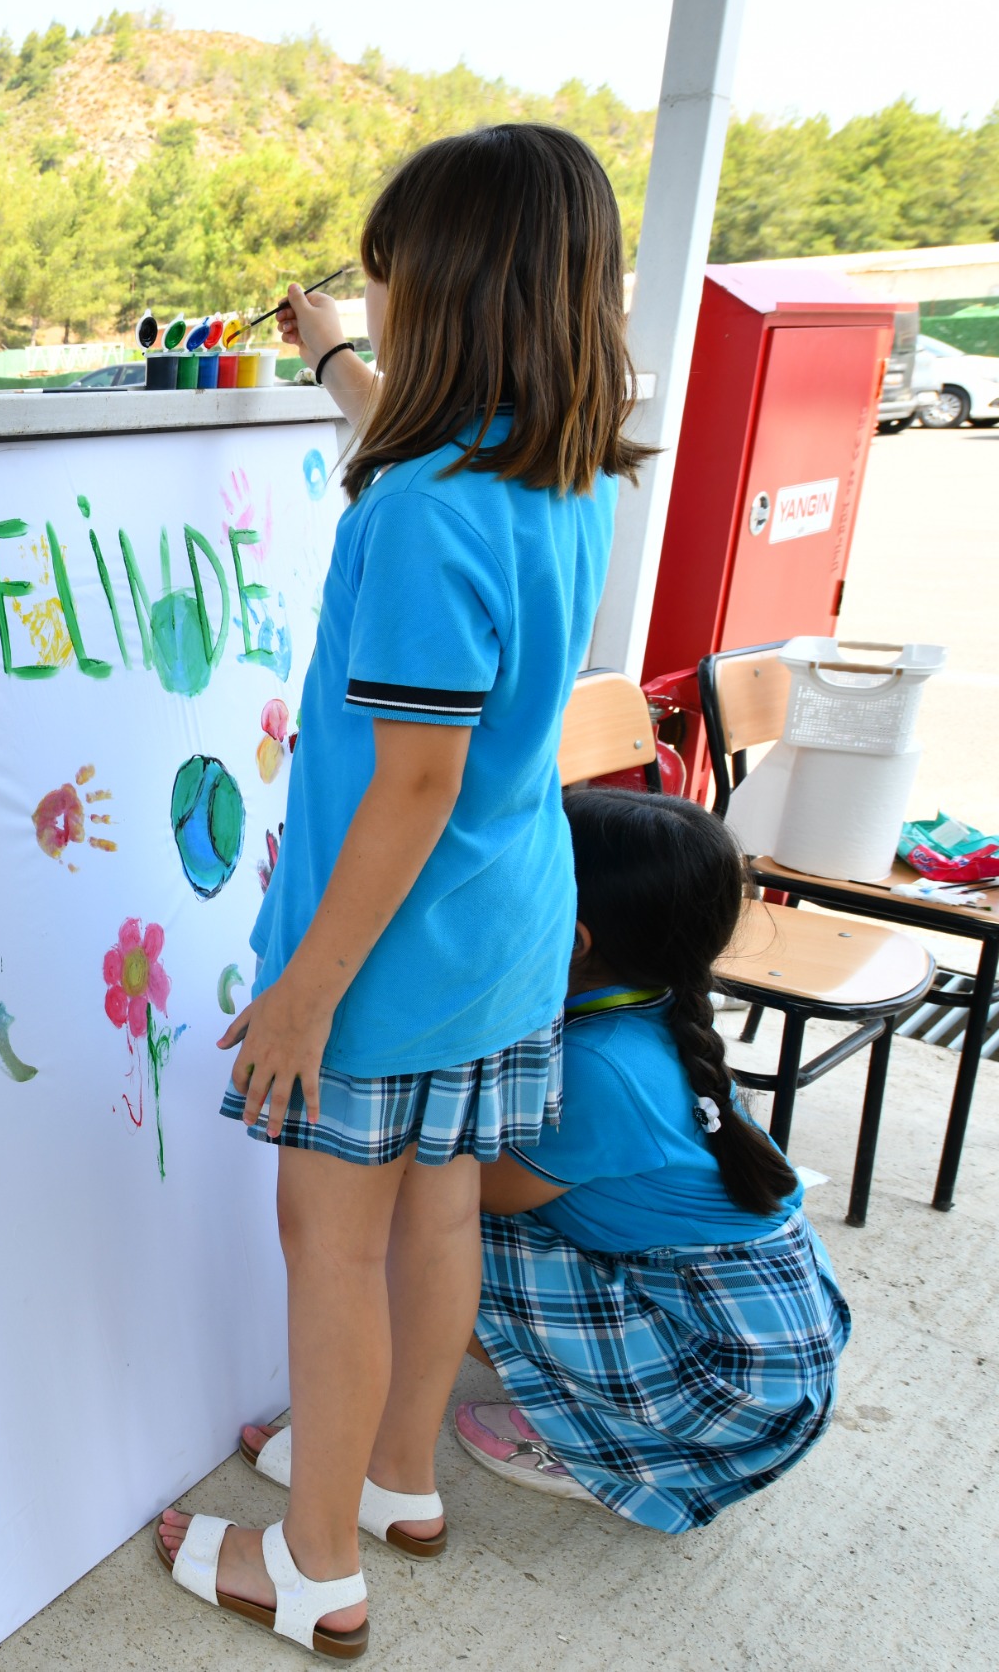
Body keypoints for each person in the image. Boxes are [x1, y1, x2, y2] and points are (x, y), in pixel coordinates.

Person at [155, 122, 643, 1661]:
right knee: (438, 1218)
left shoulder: (423, 512)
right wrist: (334, 364)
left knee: (331, 1240)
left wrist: (304, 988)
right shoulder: (556, 470)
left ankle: (312, 1570)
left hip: (384, 955)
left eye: (392, 282)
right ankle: (398, 1479)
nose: (381, 302)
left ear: (454, 289)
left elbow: (412, 780)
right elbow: (421, 467)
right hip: (500, 935)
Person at [460, 787, 848, 1532]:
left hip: (733, 1383)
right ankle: (601, 1396)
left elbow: (488, 1193)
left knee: (422, 1230)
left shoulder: (600, 1069)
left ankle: (603, 1441)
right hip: (767, 1338)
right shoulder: (652, 1008)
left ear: (572, 941)